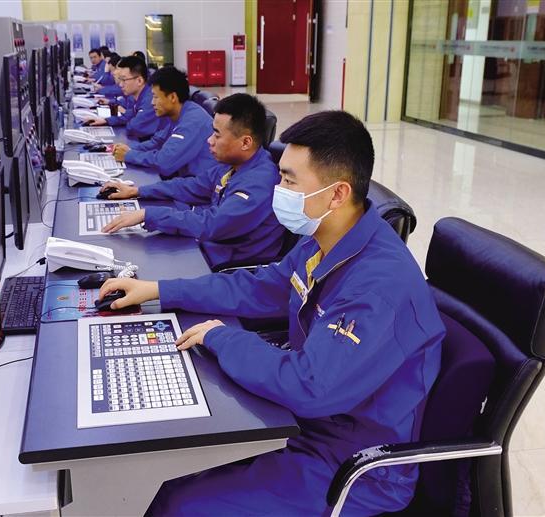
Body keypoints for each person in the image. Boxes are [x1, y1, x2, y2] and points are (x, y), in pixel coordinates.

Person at [98, 111, 445, 515]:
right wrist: (160, 290)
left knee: (176, 502)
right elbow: (261, 286)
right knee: (162, 472)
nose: (277, 189)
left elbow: (311, 386)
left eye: (289, 181)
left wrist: (222, 337)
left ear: (337, 194)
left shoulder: (379, 286)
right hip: (302, 424)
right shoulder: (325, 239)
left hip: (352, 465)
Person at [99, 93, 285, 268]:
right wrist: (138, 191)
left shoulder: (259, 181)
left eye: (217, 135)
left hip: (224, 266)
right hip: (207, 247)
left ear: (245, 142)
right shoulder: (233, 164)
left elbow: (212, 224)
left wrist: (149, 215)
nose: (209, 141)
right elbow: (192, 186)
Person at [110, 66, 216, 179]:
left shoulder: (192, 121)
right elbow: (157, 142)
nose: (152, 102)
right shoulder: (177, 114)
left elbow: (164, 162)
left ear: (172, 97)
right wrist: (128, 149)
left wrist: (129, 155)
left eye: (156, 97)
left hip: (200, 185)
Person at [87, 56, 159, 141]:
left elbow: (133, 127)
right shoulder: (139, 96)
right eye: (120, 80)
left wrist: (129, 119)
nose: (121, 85)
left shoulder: (150, 99)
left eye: (124, 80)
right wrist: (106, 120)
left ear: (139, 81)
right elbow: (129, 116)